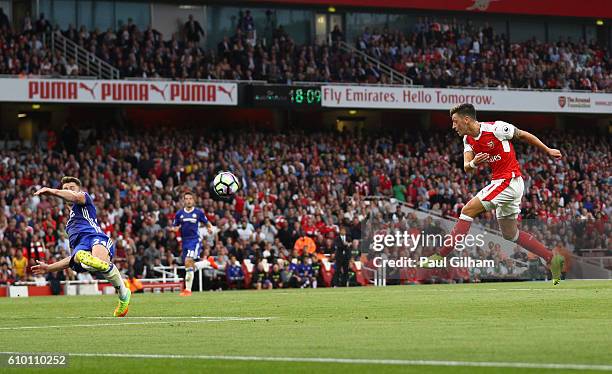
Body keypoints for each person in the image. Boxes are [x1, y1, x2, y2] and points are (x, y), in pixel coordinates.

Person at [426, 104, 564, 285]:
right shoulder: (468, 139)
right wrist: (474, 162)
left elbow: (522, 134)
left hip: (509, 180)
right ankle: (551, 257)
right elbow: (466, 166)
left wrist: (547, 150)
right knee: (510, 233)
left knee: (467, 210)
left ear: (466, 120)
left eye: (455, 121)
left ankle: (440, 255)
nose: (453, 126)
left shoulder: (496, 128)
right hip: (504, 183)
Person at [31, 176, 131, 316]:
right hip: (81, 245)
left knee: (97, 262)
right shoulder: (69, 225)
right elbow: (70, 259)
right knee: (79, 257)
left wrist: (52, 191)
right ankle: (89, 263)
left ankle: (123, 294)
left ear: (79, 190)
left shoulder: (84, 198)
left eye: (72, 188)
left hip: (96, 237)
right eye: (65, 188)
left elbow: (75, 197)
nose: (68, 191)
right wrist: (49, 268)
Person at [172, 190, 213, 296]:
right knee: (189, 267)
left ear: (193, 200)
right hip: (184, 242)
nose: (189, 201)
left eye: (190, 199)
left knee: (188, 261)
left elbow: (207, 223)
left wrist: (210, 228)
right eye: (186, 199)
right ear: (183, 201)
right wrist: (174, 229)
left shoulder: (198, 212)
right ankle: (207, 263)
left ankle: (188, 290)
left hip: (194, 241)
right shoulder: (179, 214)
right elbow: (175, 226)